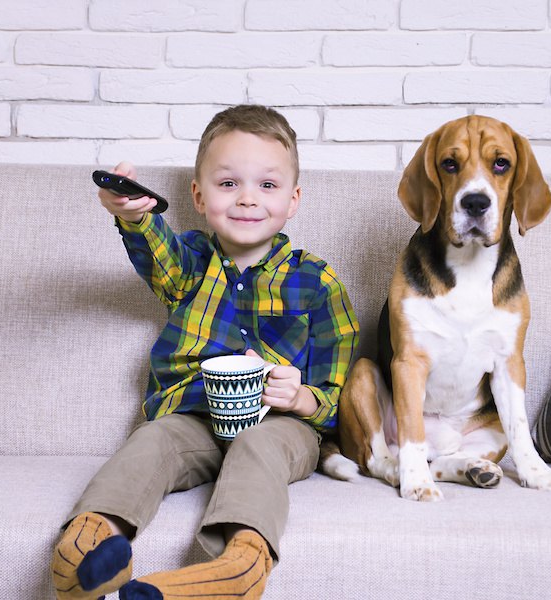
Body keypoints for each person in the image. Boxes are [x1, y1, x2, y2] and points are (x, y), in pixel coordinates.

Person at [50, 104, 359, 600]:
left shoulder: (317, 282)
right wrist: (133, 215)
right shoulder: (191, 262)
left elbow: (336, 393)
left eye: (268, 185)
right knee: (150, 440)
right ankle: (87, 551)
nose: (247, 200)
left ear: (293, 199)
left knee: (259, 448)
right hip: (193, 416)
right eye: (228, 183)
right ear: (198, 194)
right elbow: (156, 249)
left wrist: (301, 398)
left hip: (281, 427)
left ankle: (237, 568)